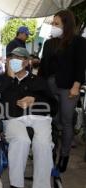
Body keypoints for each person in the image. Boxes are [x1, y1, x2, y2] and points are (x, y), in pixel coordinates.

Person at [0, 47, 57, 188]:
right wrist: (8, 77)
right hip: (14, 118)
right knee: (21, 140)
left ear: (26, 62)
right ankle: (15, 186)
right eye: (11, 58)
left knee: (43, 144)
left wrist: (35, 100)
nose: (14, 61)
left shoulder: (38, 81)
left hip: (40, 118)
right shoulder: (3, 80)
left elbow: (53, 105)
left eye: (18, 58)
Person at [38, 10, 86, 173]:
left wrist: (76, 85)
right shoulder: (48, 43)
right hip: (50, 87)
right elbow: (44, 66)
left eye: (56, 23)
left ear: (66, 25)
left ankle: (64, 155)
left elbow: (81, 65)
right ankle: (50, 151)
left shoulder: (79, 42)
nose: (53, 26)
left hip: (68, 87)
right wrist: (39, 86)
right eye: (52, 23)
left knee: (66, 120)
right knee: (52, 119)